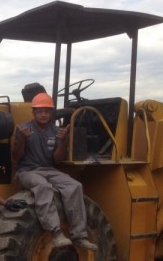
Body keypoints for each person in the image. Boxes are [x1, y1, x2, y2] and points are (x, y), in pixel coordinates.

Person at [12, 92, 98, 251]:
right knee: (44, 187)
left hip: (49, 170)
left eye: (46, 111)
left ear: (51, 113)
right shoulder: (23, 128)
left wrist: (64, 141)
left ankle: (79, 235)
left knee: (75, 186)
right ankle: (56, 232)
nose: (43, 114)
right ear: (33, 113)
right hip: (27, 171)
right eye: (39, 111)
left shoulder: (56, 131)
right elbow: (16, 158)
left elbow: (57, 160)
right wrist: (22, 140)